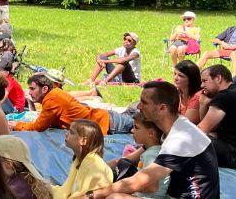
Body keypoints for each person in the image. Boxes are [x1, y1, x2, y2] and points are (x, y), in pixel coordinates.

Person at [79, 81, 219, 199]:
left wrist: (91, 195)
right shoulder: (169, 128)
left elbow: (139, 181)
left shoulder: (180, 139)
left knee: (115, 197)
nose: (139, 106)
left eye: (144, 102)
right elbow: (127, 159)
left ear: (162, 108)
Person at [10, 73, 133, 134]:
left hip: (111, 124)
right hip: (108, 118)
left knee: (146, 124)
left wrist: (17, 125)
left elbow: (38, 127)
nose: (29, 93)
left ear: (45, 89)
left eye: (32, 89)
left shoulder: (51, 100)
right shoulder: (55, 94)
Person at [106, 112, 168, 199]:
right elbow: (122, 160)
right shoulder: (150, 150)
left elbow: (152, 187)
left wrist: (125, 186)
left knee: (114, 197)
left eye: (136, 127)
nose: (132, 130)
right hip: (142, 195)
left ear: (151, 133)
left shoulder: (152, 155)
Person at [54, 119, 113, 199]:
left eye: (71, 132)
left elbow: (83, 194)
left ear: (83, 141)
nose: (66, 134)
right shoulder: (79, 159)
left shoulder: (93, 165)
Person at [198, 64, 236, 168]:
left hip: (232, 154)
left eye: (204, 81)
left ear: (218, 78)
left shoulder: (223, 97)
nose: (201, 85)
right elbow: (212, 128)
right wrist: (203, 104)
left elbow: (201, 130)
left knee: (194, 139)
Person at [174, 60, 202, 124]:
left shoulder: (197, 96)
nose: (175, 78)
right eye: (175, 74)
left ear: (191, 79)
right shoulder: (176, 92)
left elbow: (186, 124)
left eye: (180, 76)